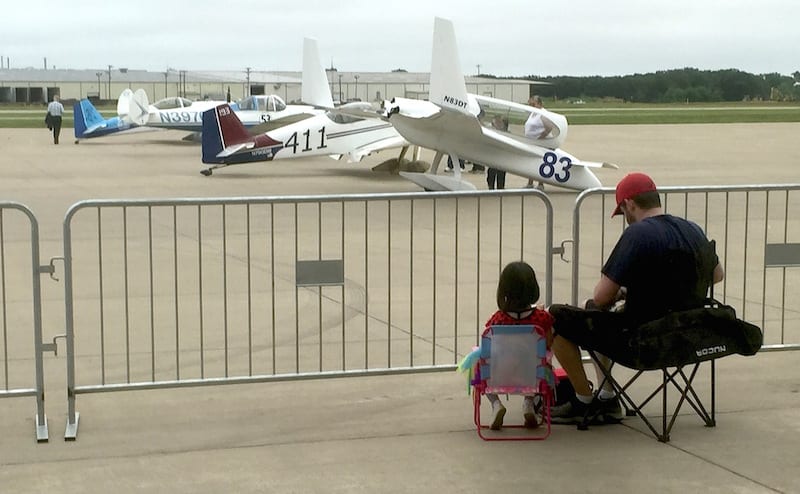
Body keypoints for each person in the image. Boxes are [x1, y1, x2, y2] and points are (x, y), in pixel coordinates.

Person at [548, 172, 724, 424]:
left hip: (643, 340)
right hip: (687, 334)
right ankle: (607, 398)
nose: (625, 218)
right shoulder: (693, 229)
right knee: (600, 314)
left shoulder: (638, 235)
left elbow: (601, 297)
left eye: (622, 211)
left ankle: (584, 399)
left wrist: (623, 291)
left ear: (630, 203)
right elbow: (717, 275)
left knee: (562, 315)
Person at [482, 261, 554, 430]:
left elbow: (489, 345)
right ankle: (528, 404)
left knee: (480, 365)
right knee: (542, 361)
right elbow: (549, 343)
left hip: (501, 373)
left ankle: (496, 404)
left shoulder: (498, 320)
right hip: (533, 374)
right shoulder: (542, 319)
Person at [486, 116, 508, 189]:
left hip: (501, 156)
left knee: (500, 172)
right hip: (494, 155)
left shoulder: (506, 134)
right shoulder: (493, 132)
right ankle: (491, 186)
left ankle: (500, 187)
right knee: (491, 171)